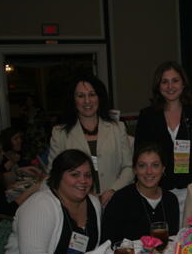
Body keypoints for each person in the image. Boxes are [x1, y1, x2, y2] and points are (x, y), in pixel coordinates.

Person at [134, 61, 192, 219]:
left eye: (175, 80)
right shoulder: (148, 116)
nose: (170, 86)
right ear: (158, 86)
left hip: (191, 189)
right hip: (158, 190)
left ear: (183, 84)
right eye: (164, 81)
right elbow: (139, 154)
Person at [48, 75, 133, 206]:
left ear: (99, 98)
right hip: (77, 204)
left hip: (115, 200)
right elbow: (53, 174)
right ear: (73, 100)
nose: (87, 101)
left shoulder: (117, 128)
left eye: (92, 94)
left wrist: (113, 190)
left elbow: (129, 167)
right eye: (81, 96)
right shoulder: (60, 133)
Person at [102, 143, 179, 243]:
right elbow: (108, 244)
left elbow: (172, 241)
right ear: (134, 169)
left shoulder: (171, 200)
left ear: (163, 169)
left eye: (155, 165)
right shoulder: (120, 200)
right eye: (142, 166)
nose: (149, 171)